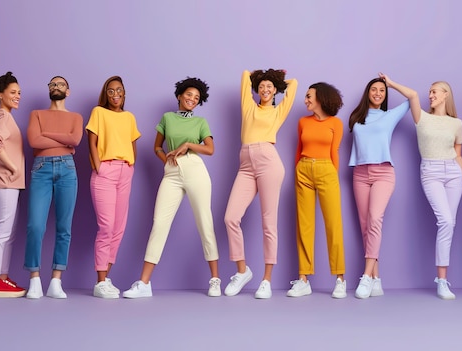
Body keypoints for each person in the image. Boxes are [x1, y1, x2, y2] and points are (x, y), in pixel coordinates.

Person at [123, 77, 220, 298]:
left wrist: (187, 145)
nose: (192, 100)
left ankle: (215, 279)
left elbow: (210, 149)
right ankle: (144, 283)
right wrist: (164, 159)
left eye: (196, 98)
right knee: (159, 223)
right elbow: (157, 146)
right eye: (189, 95)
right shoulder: (167, 118)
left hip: (195, 168)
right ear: (179, 95)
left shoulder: (201, 122)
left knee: (205, 222)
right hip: (172, 173)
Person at [224, 69, 298, 299]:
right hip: (245, 164)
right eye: (262, 86)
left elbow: (294, 84)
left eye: (270, 87)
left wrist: (277, 78)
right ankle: (242, 270)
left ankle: (266, 280)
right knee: (230, 218)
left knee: (269, 223)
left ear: (275, 90)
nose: (265, 90)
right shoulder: (249, 107)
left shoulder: (278, 112)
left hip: (269, 162)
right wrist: (258, 76)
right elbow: (245, 76)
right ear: (257, 90)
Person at [348, 73, 417, 299]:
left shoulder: (390, 116)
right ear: (367, 93)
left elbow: (413, 96)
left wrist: (392, 83)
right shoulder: (356, 117)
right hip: (359, 173)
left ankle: (366, 276)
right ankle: (376, 279)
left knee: (375, 219)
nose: (378, 93)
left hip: (383, 173)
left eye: (382, 91)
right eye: (374, 90)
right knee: (365, 225)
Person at [24, 76, 83, 299]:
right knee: (35, 226)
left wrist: (46, 134)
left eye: (60, 84)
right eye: (52, 84)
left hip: (68, 170)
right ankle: (35, 279)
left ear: (67, 91)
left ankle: (56, 281)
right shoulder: (36, 114)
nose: (55, 87)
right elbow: (34, 141)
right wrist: (63, 141)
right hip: (41, 169)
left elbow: (75, 139)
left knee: (64, 227)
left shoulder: (76, 117)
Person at [409, 80, 462, 299]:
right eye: (430, 92)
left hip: (453, 173)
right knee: (446, 221)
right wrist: (390, 82)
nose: (430, 95)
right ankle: (441, 281)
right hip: (431, 171)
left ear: (445, 94)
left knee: (449, 224)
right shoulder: (422, 118)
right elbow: (413, 94)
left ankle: (443, 281)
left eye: (434, 91)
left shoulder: (457, 123)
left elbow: (457, 151)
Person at [287, 82, 347, 299]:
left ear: (320, 98)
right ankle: (303, 279)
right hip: (303, 170)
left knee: (333, 225)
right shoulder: (302, 122)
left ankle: (340, 278)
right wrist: (297, 170)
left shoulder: (336, 123)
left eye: (309, 96)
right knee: (304, 226)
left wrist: (332, 175)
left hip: (326, 170)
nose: (305, 100)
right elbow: (298, 149)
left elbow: (335, 152)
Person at [86, 76, 141, 298]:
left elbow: (132, 144)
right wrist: (99, 166)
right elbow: (91, 141)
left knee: (118, 228)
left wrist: (130, 166)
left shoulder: (129, 117)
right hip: (105, 171)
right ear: (105, 94)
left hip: (125, 171)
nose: (115, 94)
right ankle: (100, 282)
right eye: (111, 91)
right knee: (106, 226)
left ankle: (105, 280)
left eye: (119, 90)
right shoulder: (99, 112)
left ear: (124, 93)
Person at [0, 71, 26, 298]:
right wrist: (12, 167)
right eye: (13, 92)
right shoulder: (3, 116)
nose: (18, 96)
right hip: (6, 182)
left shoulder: (6, 116)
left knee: (8, 233)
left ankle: (2, 277)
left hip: (11, 184)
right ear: (1, 95)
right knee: (2, 231)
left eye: (19, 92)